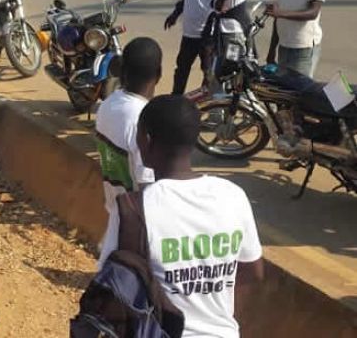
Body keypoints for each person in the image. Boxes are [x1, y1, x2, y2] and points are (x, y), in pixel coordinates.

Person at [99, 94, 264, 338]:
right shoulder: (233, 196)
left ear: (145, 139)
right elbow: (253, 272)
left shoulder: (134, 209)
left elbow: (108, 284)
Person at [95, 37, 161, 218]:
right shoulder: (143, 120)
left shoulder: (106, 105)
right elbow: (147, 186)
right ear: (159, 74)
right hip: (138, 223)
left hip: (116, 213)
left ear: (122, 71)